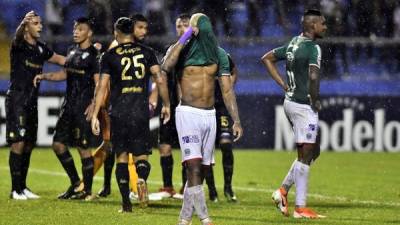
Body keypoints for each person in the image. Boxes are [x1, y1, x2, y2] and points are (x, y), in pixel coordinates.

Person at [161, 13, 243, 225]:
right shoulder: (181, 49)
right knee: (194, 167)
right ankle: (206, 218)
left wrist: (236, 120)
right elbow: (166, 66)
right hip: (187, 113)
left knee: (203, 170)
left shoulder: (219, 54)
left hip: (210, 116)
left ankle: (184, 219)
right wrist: (186, 34)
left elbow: (227, 91)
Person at [91, 17, 171, 212]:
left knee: (122, 157)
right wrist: (166, 104)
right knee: (142, 157)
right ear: (132, 31)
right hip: (140, 110)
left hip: (118, 111)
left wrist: (95, 114)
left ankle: (126, 204)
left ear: (116, 32)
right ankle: (142, 178)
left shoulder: (109, 56)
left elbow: (102, 86)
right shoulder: (147, 52)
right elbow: (160, 79)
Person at [261, 9, 327, 219]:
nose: (325, 27)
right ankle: (300, 207)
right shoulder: (313, 48)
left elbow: (267, 58)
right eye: (322, 23)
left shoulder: (293, 43)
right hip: (302, 105)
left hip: (291, 102)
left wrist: (283, 85)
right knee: (305, 155)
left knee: (313, 150)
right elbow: (314, 76)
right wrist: (315, 99)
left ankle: (282, 192)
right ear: (313, 26)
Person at [33, 17, 100, 200]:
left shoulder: (95, 55)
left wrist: (94, 104)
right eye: (74, 28)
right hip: (68, 105)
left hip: (82, 107)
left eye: (80, 29)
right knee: (58, 144)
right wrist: (45, 76)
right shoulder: (71, 51)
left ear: (89, 33)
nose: (76, 32)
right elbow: (65, 74)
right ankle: (76, 183)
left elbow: (99, 83)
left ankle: (87, 191)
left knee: (82, 147)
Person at [6, 11, 65, 200]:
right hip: (18, 100)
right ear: (26, 27)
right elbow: (15, 37)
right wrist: (22, 22)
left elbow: (62, 60)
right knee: (18, 143)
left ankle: (23, 187)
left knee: (29, 144)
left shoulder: (41, 48)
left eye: (40, 23)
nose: (40, 26)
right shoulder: (19, 45)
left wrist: (87, 55)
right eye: (36, 23)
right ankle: (15, 190)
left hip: (32, 101)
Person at [153, 13, 190, 199]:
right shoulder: (171, 50)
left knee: (187, 148)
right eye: (179, 26)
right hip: (170, 106)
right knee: (164, 146)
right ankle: (168, 187)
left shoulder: (197, 50)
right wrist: (160, 100)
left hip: (190, 107)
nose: (181, 29)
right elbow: (160, 76)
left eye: (186, 25)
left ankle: (186, 187)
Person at [204, 50, 238, 203]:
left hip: (222, 108)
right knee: (207, 151)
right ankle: (212, 191)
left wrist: (229, 86)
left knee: (226, 144)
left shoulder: (223, 55)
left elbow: (233, 71)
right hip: (204, 108)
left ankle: (228, 188)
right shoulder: (198, 54)